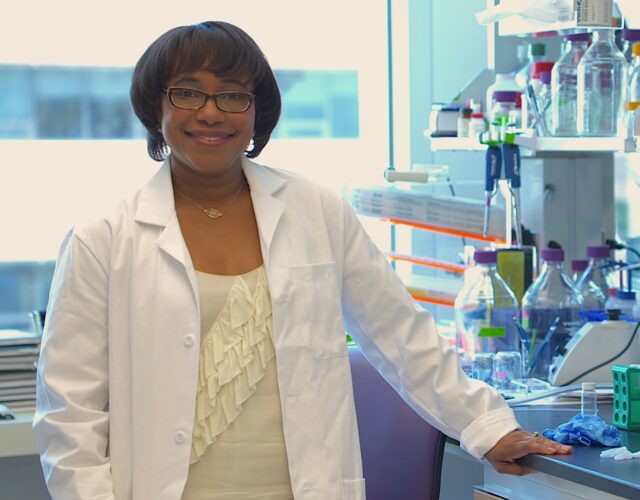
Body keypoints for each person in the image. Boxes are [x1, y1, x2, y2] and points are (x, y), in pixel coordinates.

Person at [33, 20, 571, 500]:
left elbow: (400, 334)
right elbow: (70, 413)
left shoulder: (315, 210)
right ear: (157, 106)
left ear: (256, 112)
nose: (212, 112)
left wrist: (485, 425)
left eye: (233, 96)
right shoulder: (102, 237)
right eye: (188, 93)